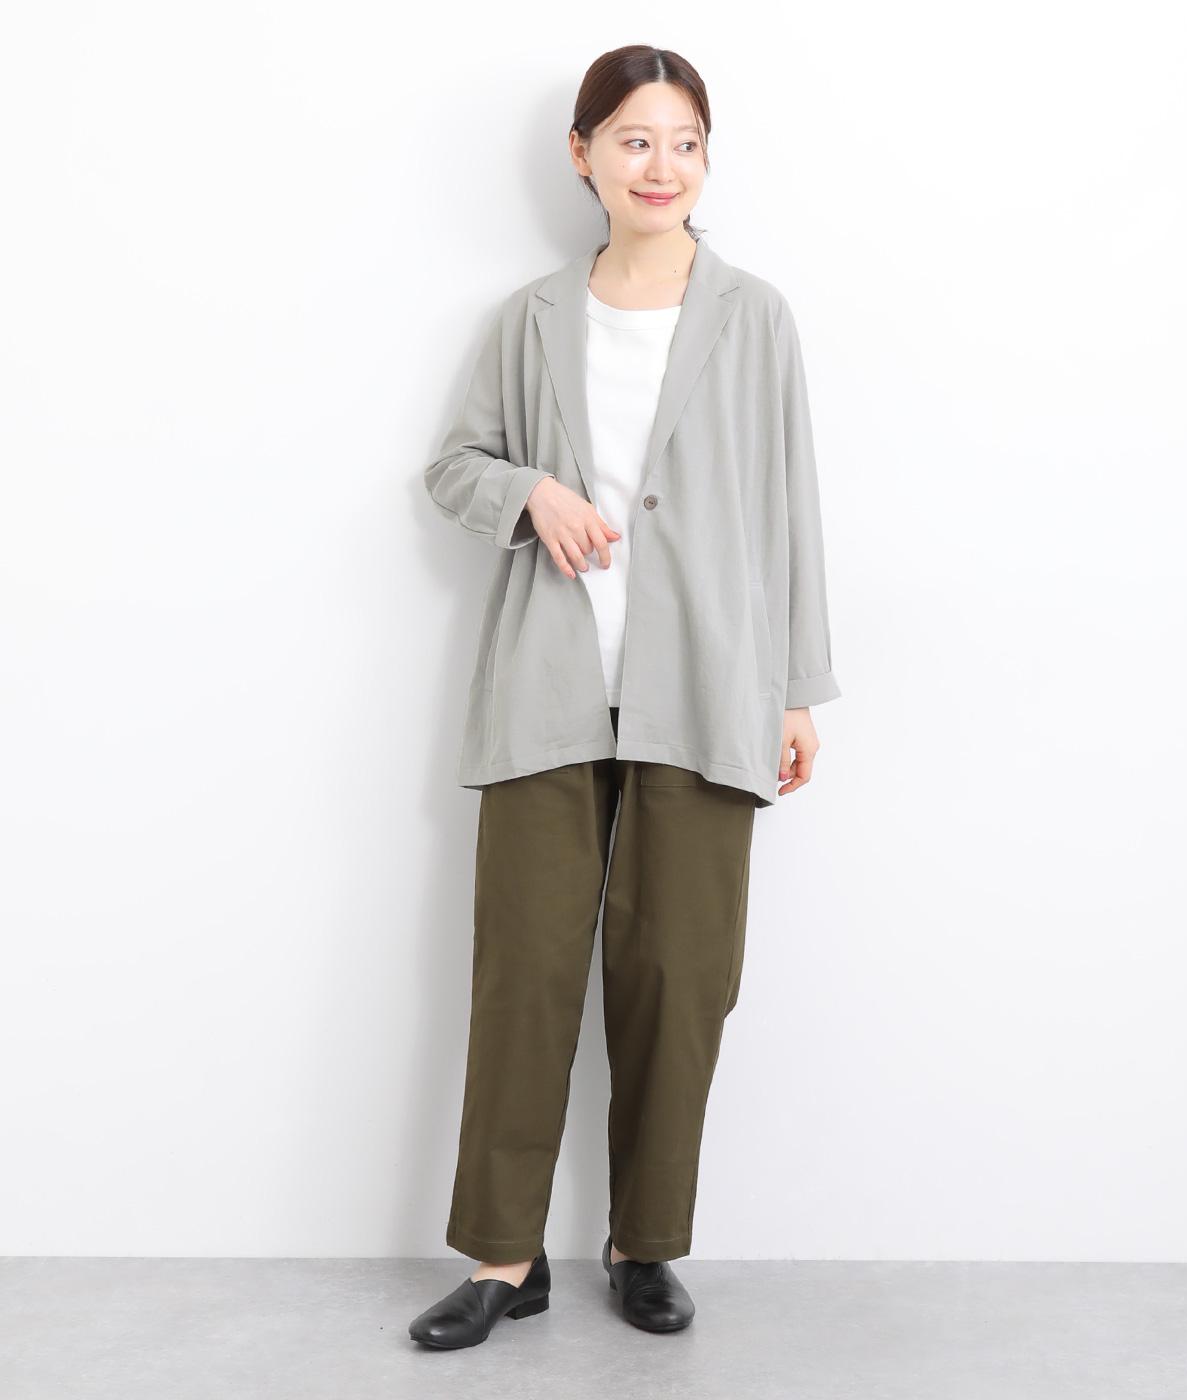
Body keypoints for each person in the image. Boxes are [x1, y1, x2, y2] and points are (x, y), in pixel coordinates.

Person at [409, 44, 841, 1350]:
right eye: (636, 140)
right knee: (524, 977)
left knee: (680, 976)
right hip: (546, 690)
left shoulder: (755, 316)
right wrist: (529, 493)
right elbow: (453, 466)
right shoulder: (530, 318)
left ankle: (644, 1243)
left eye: (685, 143)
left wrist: (795, 690)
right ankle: (503, 1258)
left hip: (706, 689)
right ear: (584, 153)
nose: (663, 167)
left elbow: (792, 508)